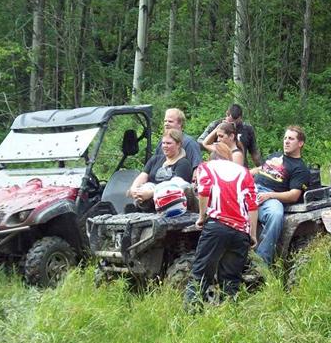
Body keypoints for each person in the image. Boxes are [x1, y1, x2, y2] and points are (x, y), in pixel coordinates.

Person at [184, 152, 258, 309]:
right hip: (241, 232)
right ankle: (229, 316)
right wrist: (252, 234)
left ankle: (189, 317)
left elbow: (204, 191)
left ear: (212, 158)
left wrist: (202, 217)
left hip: (216, 226)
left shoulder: (206, 167)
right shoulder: (244, 171)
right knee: (231, 279)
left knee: (200, 274)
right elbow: (252, 204)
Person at [251, 126, 310, 266]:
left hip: (270, 195)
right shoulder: (275, 156)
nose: (286, 141)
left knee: (276, 214)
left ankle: (261, 263)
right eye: (285, 138)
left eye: (291, 138)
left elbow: (294, 195)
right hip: (250, 187)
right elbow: (260, 169)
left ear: (300, 143)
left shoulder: (300, 168)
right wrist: (242, 173)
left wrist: (269, 195)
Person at [128, 128, 193, 208]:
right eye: (163, 143)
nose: (165, 146)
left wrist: (151, 193)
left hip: (170, 206)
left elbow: (176, 186)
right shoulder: (155, 159)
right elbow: (143, 176)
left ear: (178, 144)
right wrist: (134, 189)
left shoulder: (183, 164)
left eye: (168, 143)